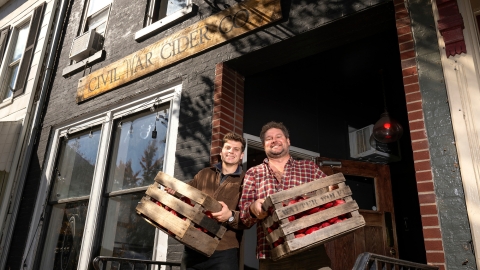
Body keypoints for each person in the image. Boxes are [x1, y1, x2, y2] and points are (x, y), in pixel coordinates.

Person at [239, 121, 332, 270]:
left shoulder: (309, 168)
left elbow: (331, 194)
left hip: (311, 250)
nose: (274, 140)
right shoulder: (253, 173)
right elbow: (244, 216)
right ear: (264, 145)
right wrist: (253, 209)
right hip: (272, 254)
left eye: (278, 136)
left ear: (288, 141)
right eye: (269, 139)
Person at [170, 132, 247, 270]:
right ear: (221, 151)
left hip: (224, 251)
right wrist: (174, 191)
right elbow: (187, 192)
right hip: (193, 245)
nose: (231, 152)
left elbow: (248, 218)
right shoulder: (204, 174)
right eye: (228, 148)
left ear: (241, 155)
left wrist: (230, 217)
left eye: (236, 149)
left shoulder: (246, 181)